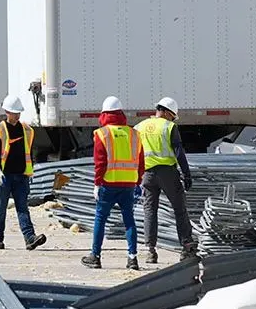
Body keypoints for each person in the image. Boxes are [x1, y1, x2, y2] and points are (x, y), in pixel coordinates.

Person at [82, 96, 144, 270]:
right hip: (129, 185)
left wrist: (97, 183)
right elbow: (141, 162)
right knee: (129, 221)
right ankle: (132, 258)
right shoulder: (134, 134)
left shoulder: (102, 134)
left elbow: (100, 162)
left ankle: (95, 256)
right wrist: (138, 181)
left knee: (100, 219)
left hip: (108, 184)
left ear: (104, 114)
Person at [135, 97, 196, 263]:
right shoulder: (169, 127)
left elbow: (135, 152)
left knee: (150, 211)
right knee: (179, 209)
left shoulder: (140, 127)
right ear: (168, 113)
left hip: (147, 175)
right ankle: (187, 248)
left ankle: (150, 251)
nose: (172, 119)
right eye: (173, 116)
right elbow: (179, 152)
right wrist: (187, 174)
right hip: (167, 173)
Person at [0, 95, 48, 251]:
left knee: (22, 208)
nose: (17, 116)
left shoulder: (27, 130)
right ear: (7, 112)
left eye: (19, 113)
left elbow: (29, 151)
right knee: (0, 208)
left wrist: (30, 170)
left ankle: (30, 238)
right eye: (14, 113)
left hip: (21, 176)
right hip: (4, 176)